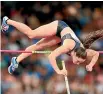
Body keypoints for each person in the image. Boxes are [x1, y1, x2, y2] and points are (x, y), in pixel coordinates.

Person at [2, 16, 101, 76]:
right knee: (31, 34)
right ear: (74, 53)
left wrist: (90, 65)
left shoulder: (84, 52)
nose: (78, 63)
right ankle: (7, 21)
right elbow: (51, 56)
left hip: (61, 36)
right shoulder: (68, 46)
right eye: (78, 61)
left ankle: (16, 60)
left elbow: (96, 54)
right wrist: (58, 71)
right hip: (59, 27)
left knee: (37, 47)